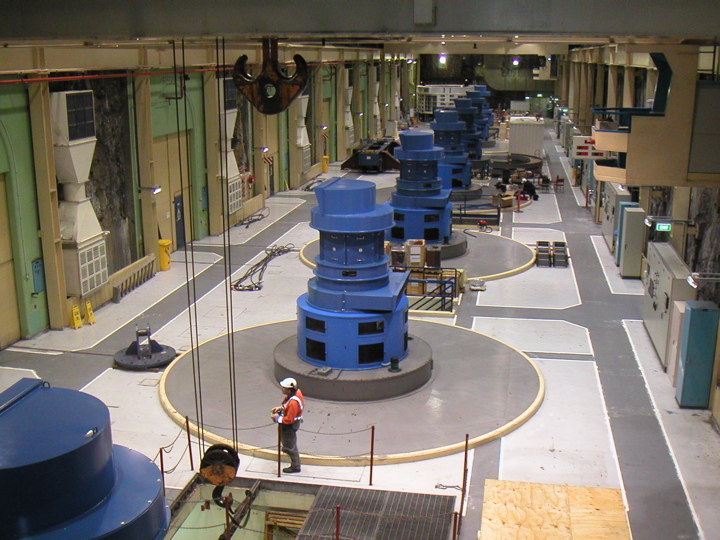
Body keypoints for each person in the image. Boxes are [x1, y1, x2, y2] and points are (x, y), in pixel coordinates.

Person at [271, 377, 304, 473]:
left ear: (289, 390)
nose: (282, 389)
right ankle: (294, 461)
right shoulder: (296, 394)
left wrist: (277, 418)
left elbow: (289, 419)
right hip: (291, 423)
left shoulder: (294, 403)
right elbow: (287, 404)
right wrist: (281, 408)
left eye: (284, 388)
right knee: (290, 444)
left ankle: (296, 466)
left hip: (289, 426)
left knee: (290, 446)